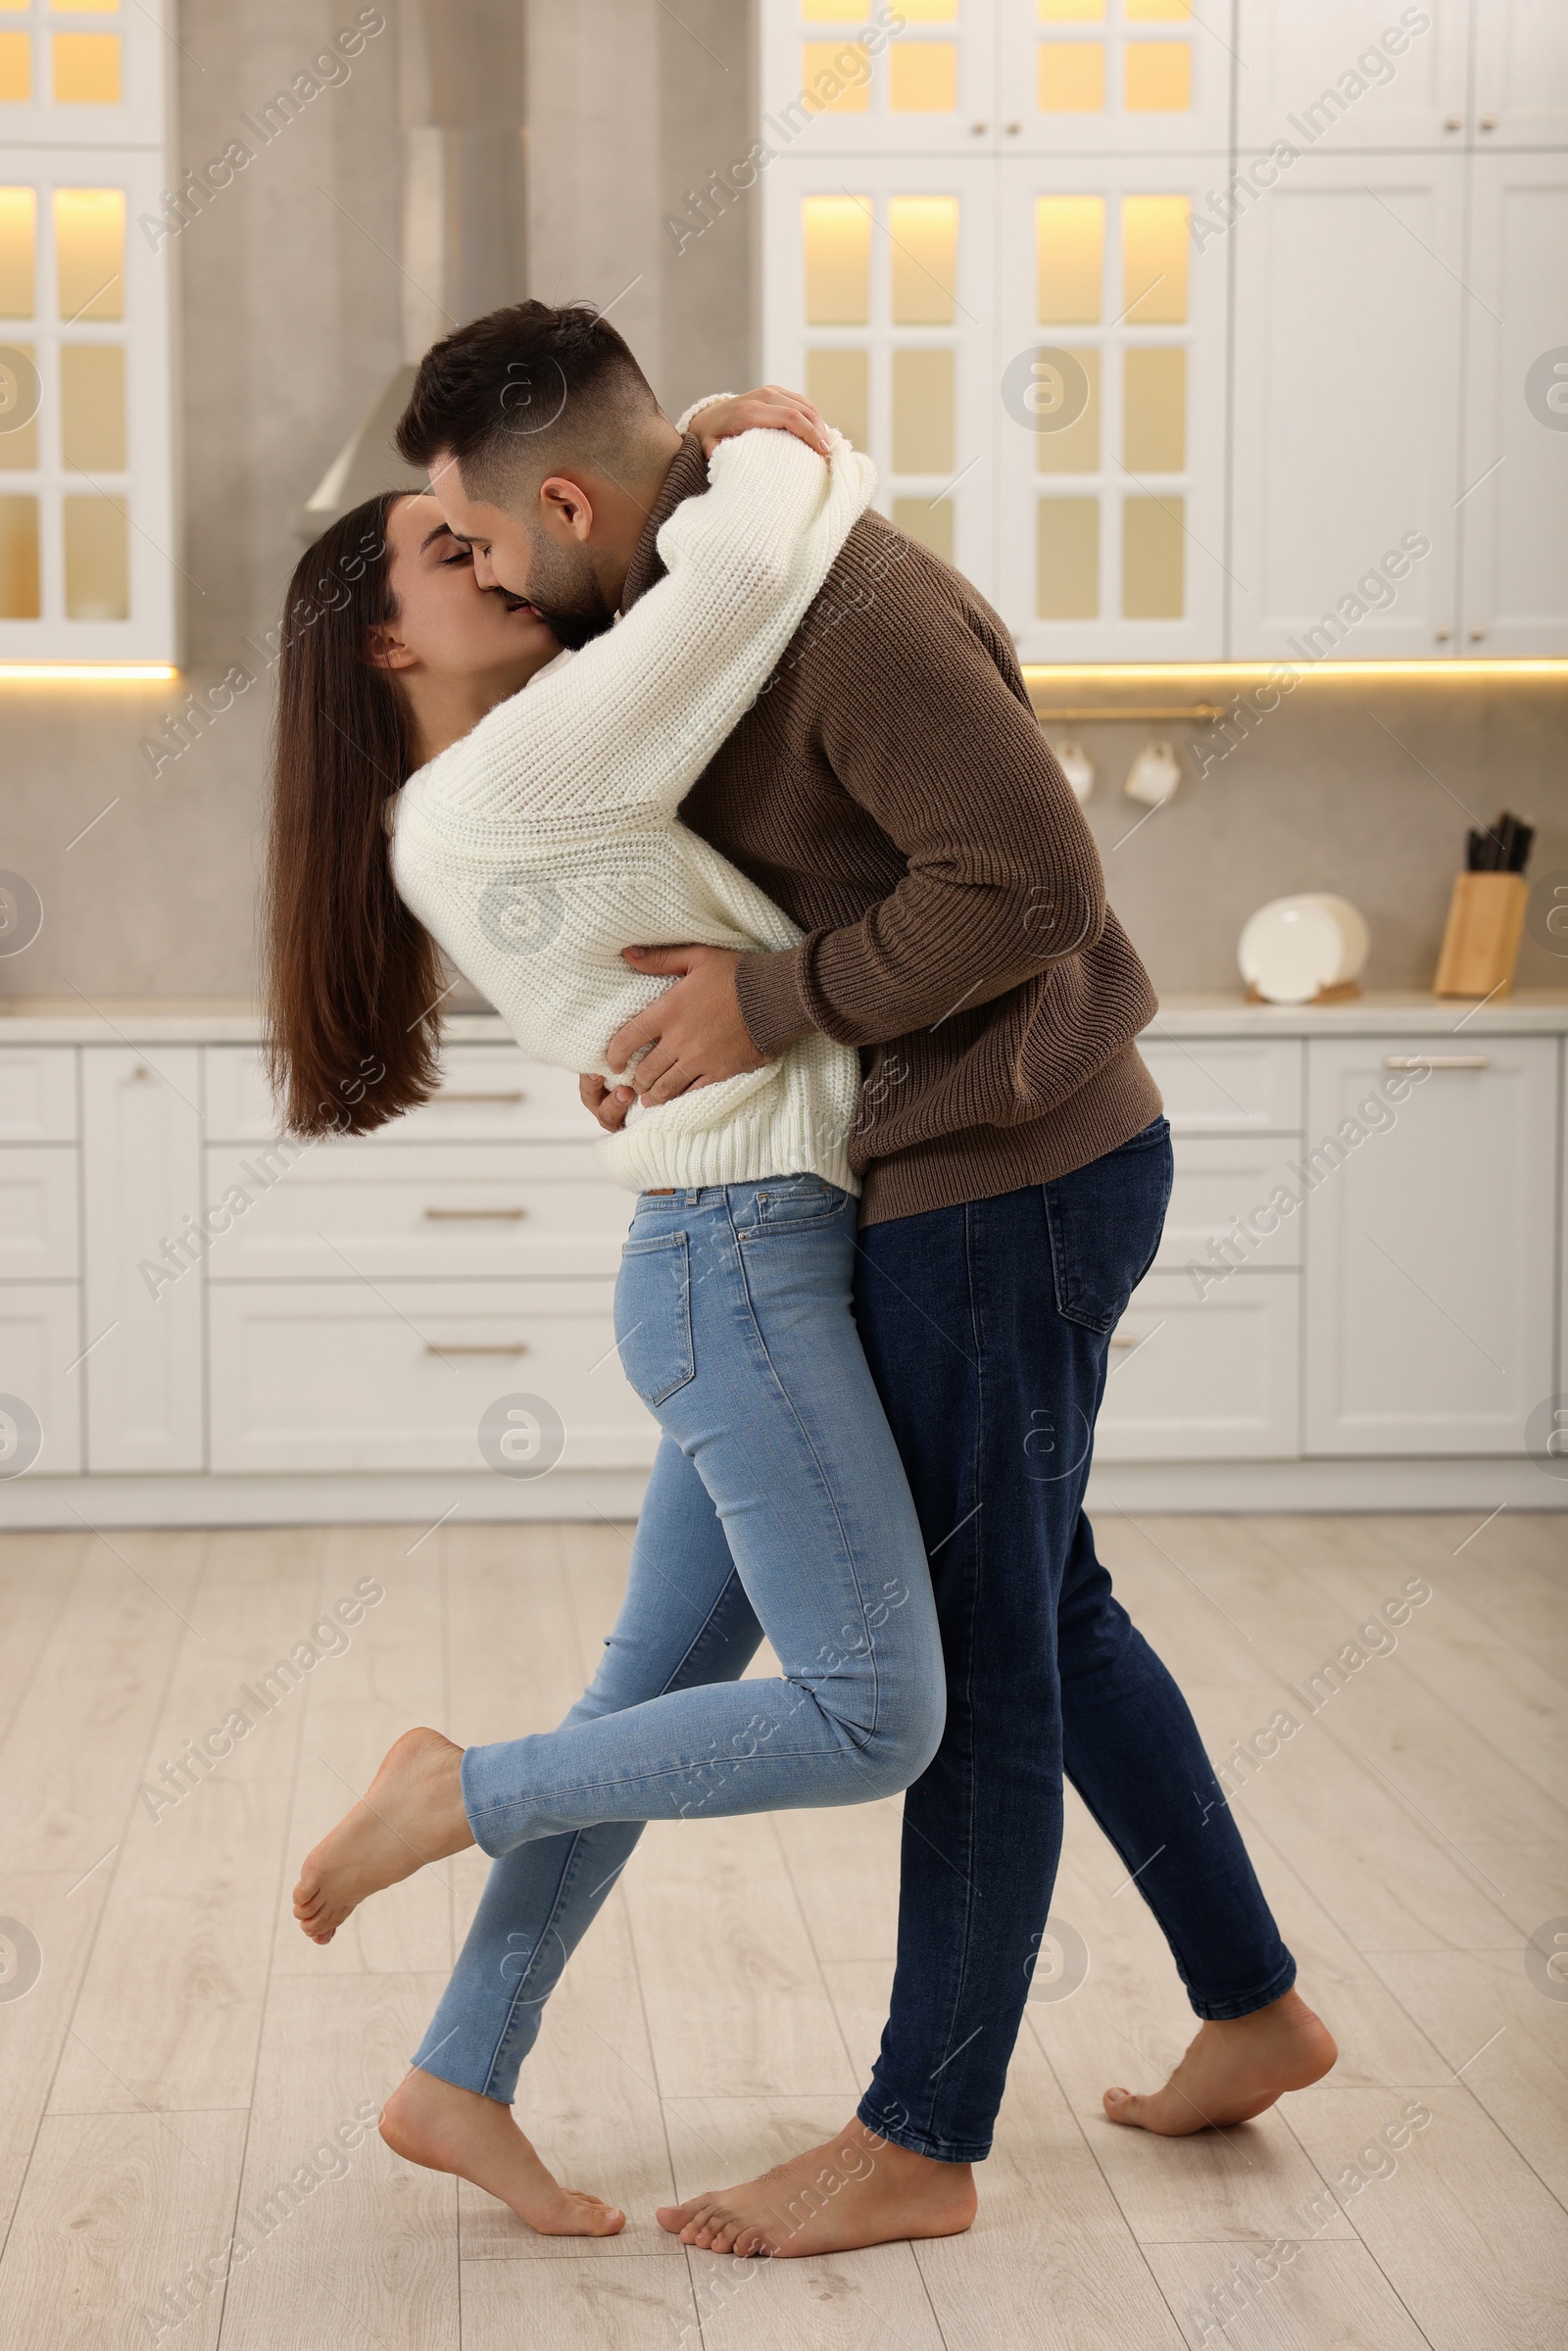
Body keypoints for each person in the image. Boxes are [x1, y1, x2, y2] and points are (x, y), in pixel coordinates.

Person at [390, 300, 1338, 2259]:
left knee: (977, 1657)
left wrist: (770, 1003)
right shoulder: (720, 593)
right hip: (960, 1167)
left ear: (566, 499)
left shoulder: (847, 612)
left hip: (1006, 1181)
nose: (474, 576)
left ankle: (919, 2134)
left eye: (479, 542)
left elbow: (1030, 884)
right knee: (1047, 1609)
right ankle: (1250, 2005)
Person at [265, 385, 950, 2239]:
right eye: (447, 550)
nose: (490, 551)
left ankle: (455, 2074)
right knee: (877, 1716)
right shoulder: (507, 778)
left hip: (727, 1254)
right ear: (397, 640)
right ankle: (460, 1790)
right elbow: (738, 574)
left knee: (652, 1694)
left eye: (476, 524)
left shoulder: (473, 799)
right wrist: (765, 434)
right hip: (744, 1266)